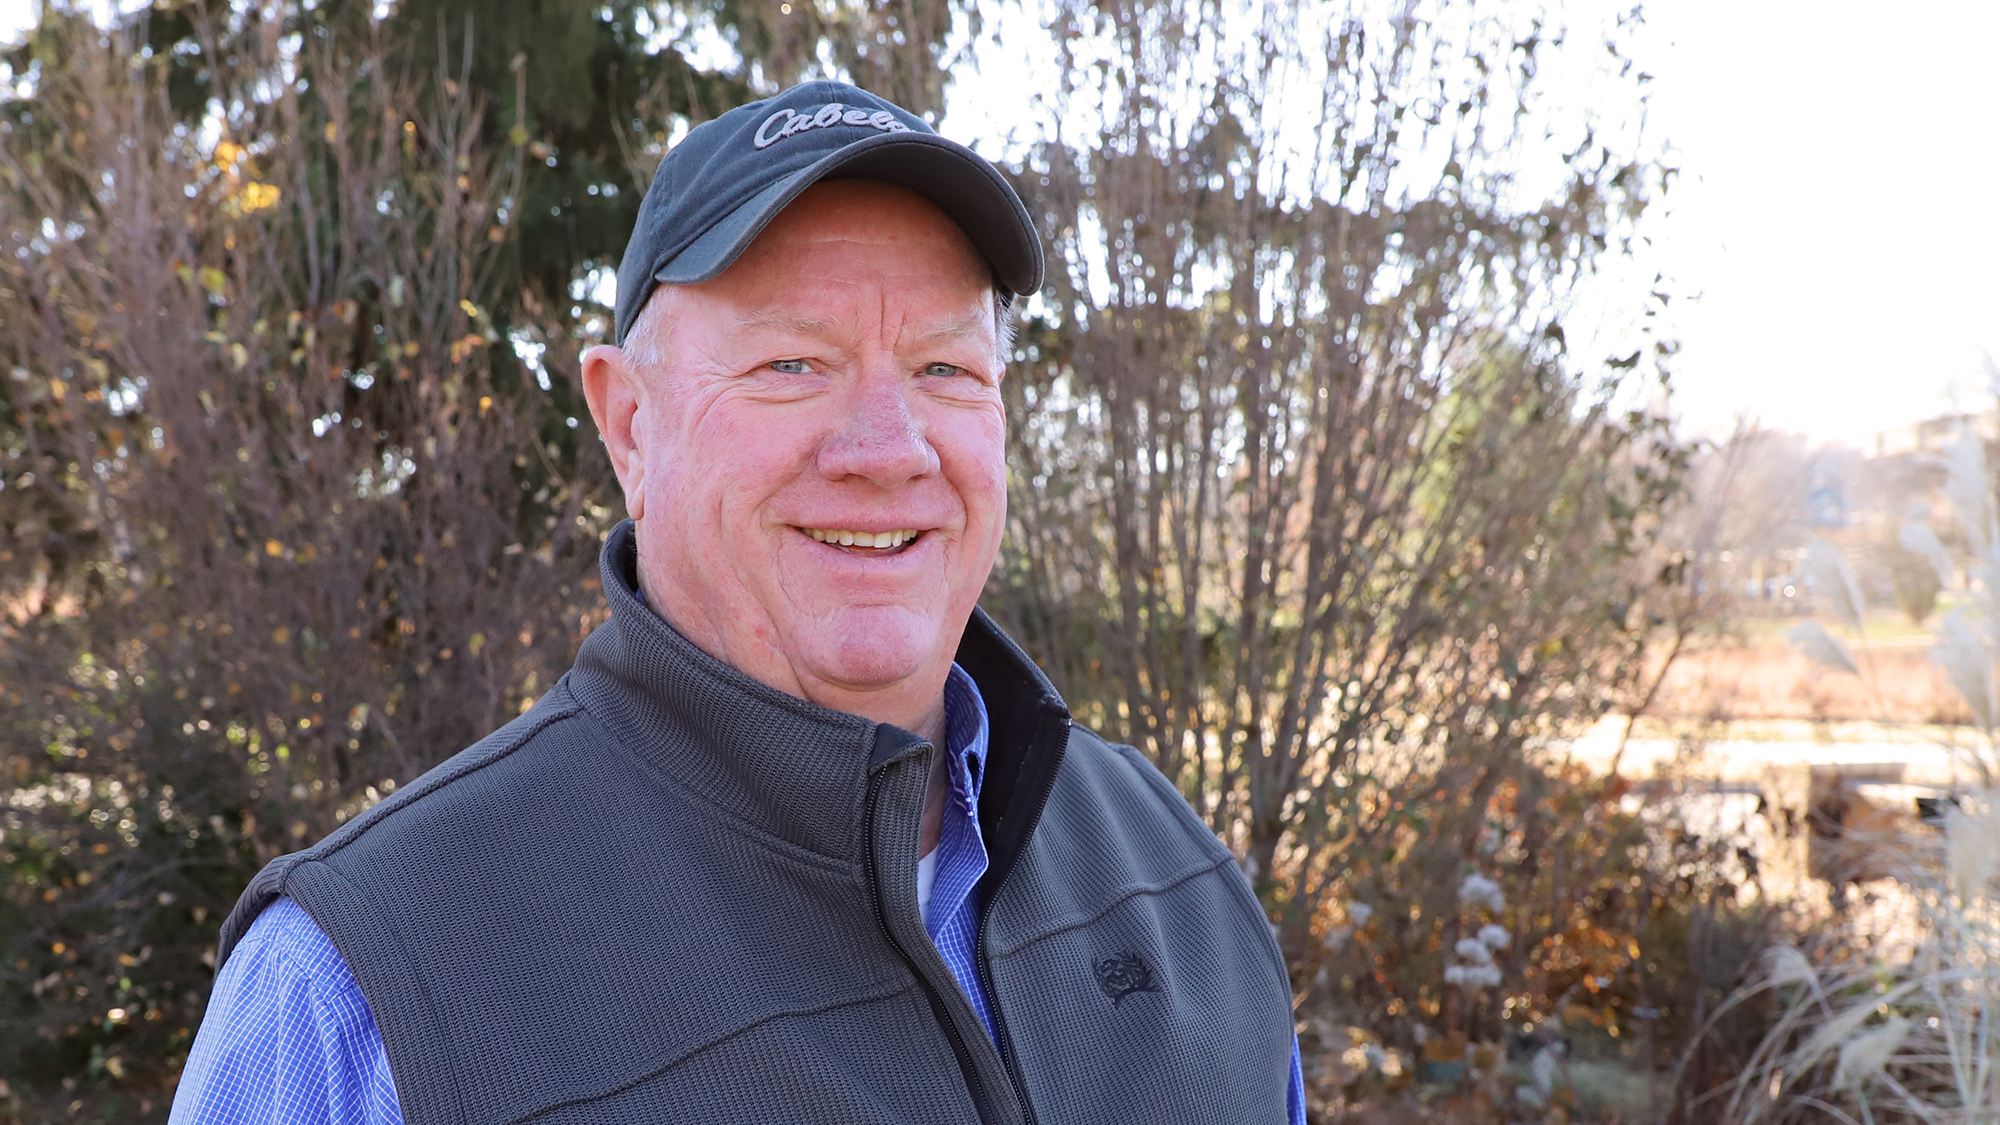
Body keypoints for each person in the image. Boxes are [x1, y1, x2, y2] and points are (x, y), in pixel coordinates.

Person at [171, 80, 1304, 1125]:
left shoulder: (1169, 867)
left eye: (944, 370)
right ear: (629, 427)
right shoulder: (363, 986)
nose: (888, 448)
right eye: (789, 366)